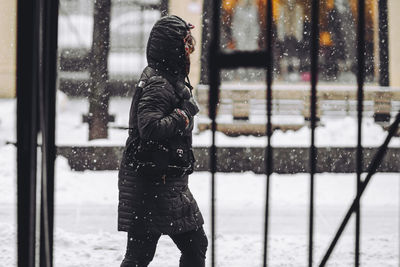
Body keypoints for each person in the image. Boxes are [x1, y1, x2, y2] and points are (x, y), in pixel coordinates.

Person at [118, 15, 208, 267]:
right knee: (193, 245)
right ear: (174, 49)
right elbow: (149, 127)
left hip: (157, 181)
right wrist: (183, 114)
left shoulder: (163, 76)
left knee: (141, 255)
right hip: (155, 184)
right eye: (186, 45)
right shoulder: (160, 82)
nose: (190, 51)